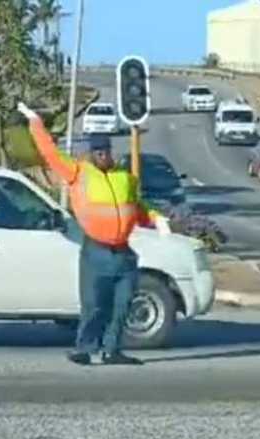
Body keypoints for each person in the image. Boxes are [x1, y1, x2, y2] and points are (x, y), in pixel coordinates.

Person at [17, 101, 171, 366]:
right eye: (97, 151)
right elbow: (49, 153)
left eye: (105, 151)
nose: (102, 155)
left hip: (123, 254)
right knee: (94, 305)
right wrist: (35, 122)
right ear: (90, 153)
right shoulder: (79, 173)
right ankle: (85, 349)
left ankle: (112, 350)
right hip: (96, 251)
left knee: (122, 305)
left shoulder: (125, 178)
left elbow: (138, 207)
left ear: (110, 152)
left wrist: (157, 219)